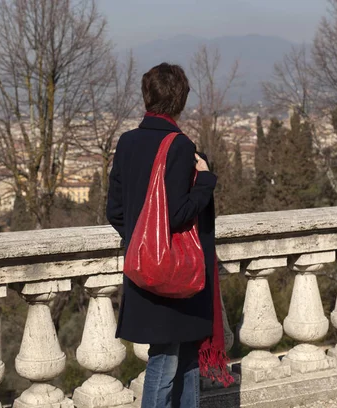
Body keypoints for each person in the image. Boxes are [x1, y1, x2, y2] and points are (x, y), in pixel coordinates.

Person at [106, 63, 227, 407]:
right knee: (168, 360)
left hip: (145, 268)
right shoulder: (179, 146)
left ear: (147, 97)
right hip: (177, 271)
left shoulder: (127, 143)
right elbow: (176, 215)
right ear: (180, 100)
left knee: (185, 357)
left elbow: (114, 211)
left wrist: (144, 244)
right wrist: (205, 182)